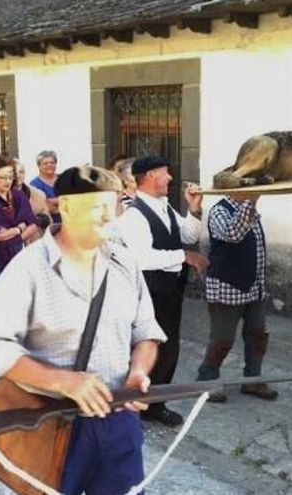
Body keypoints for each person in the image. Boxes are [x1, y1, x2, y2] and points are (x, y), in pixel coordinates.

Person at [0, 165, 166, 495]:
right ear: (65, 206)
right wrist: (63, 381)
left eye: (115, 204)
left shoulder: (124, 263)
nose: (110, 216)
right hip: (53, 424)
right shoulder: (28, 269)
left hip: (118, 420)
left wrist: (138, 372)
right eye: (98, 208)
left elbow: (147, 331)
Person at [119, 155, 207, 427]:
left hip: (169, 289)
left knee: (169, 346)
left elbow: (189, 236)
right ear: (148, 177)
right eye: (165, 173)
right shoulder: (134, 215)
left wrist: (194, 210)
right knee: (151, 346)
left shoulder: (165, 206)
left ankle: (153, 402)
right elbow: (142, 258)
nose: (170, 178)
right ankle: (142, 403)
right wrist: (185, 257)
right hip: (150, 290)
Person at [197, 190, 278, 402]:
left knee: (258, 335)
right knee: (222, 338)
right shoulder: (219, 210)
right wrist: (250, 202)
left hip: (254, 286)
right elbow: (233, 234)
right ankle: (207, 378)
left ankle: (252, 379)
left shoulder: (249, 208)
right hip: (227, 286)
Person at [0, 157, 39, 315]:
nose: (7, 181)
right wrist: (18, 229)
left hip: (16, 250)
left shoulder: (18, 196)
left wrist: (11, 235)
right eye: (2, 177)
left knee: (18, 292)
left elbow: (32, 224)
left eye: (10, 176)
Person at [14, 159, 51, 241]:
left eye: (21, 172)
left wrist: (35, 220)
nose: (18, 176)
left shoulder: (38, 195)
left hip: (34, 242)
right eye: (14, 172)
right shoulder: (0, 195)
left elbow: (47, 220)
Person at [30, 150, 60, 222]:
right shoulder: (34, 185)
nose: (49, 165)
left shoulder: (64, 179)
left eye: (52, 163)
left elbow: (73, 201)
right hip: (48, 224)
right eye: (45, 163)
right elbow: (44, 209)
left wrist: (53, 201)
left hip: (70, 223)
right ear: (39, 166)